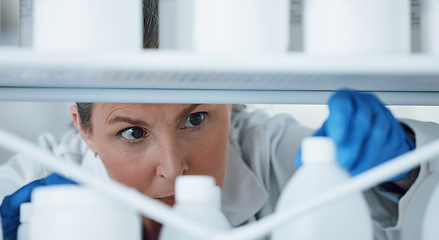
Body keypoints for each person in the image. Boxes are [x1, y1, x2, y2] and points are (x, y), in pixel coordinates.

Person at [2, 2, 439, 240]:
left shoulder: (268, 152)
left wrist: (404, 173)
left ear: (230, 107)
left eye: (195, 119)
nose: (174, 168)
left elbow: (403, 218)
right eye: (133, 132)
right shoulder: (31, 179)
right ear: (82, 127)